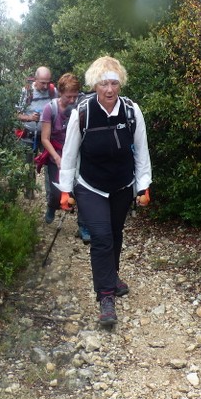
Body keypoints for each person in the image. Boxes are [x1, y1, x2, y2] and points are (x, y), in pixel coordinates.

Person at [58, 56, 152, 326]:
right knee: (100, 237)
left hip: (122, 184)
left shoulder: (132, 111)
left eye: (114, 83)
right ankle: (106, 297)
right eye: (103, 84)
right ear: (94, 85)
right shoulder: (83, 112)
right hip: (90, 185)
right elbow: (70, 153)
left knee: (115, 233)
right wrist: (66, 190)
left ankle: (112, 275)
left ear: (120, 84)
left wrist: (143, 185)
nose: (109, 89)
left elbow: (142, 151)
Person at [40, 72, 90, 242]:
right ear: (60, 93)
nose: (72, 100)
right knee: (56, 191)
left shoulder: (80, 108)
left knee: (81, 190)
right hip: (57, 153)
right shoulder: (50, 109)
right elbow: (45, 138)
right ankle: (52, 205)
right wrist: (57, 158)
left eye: (75, 96)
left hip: (77, 154)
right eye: (68, 96)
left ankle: (83, 226)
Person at [16, 66, 58, 198]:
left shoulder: (53, 91)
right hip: (29, 134)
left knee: (49, 165)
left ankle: (51, 197)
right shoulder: (26, 92)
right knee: (28, 165)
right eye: (42, 82)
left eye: (48, 82)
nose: (46, 86)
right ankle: (29, 194)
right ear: (35, 79)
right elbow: (16, 114)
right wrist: (29, 118)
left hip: (47, 135)